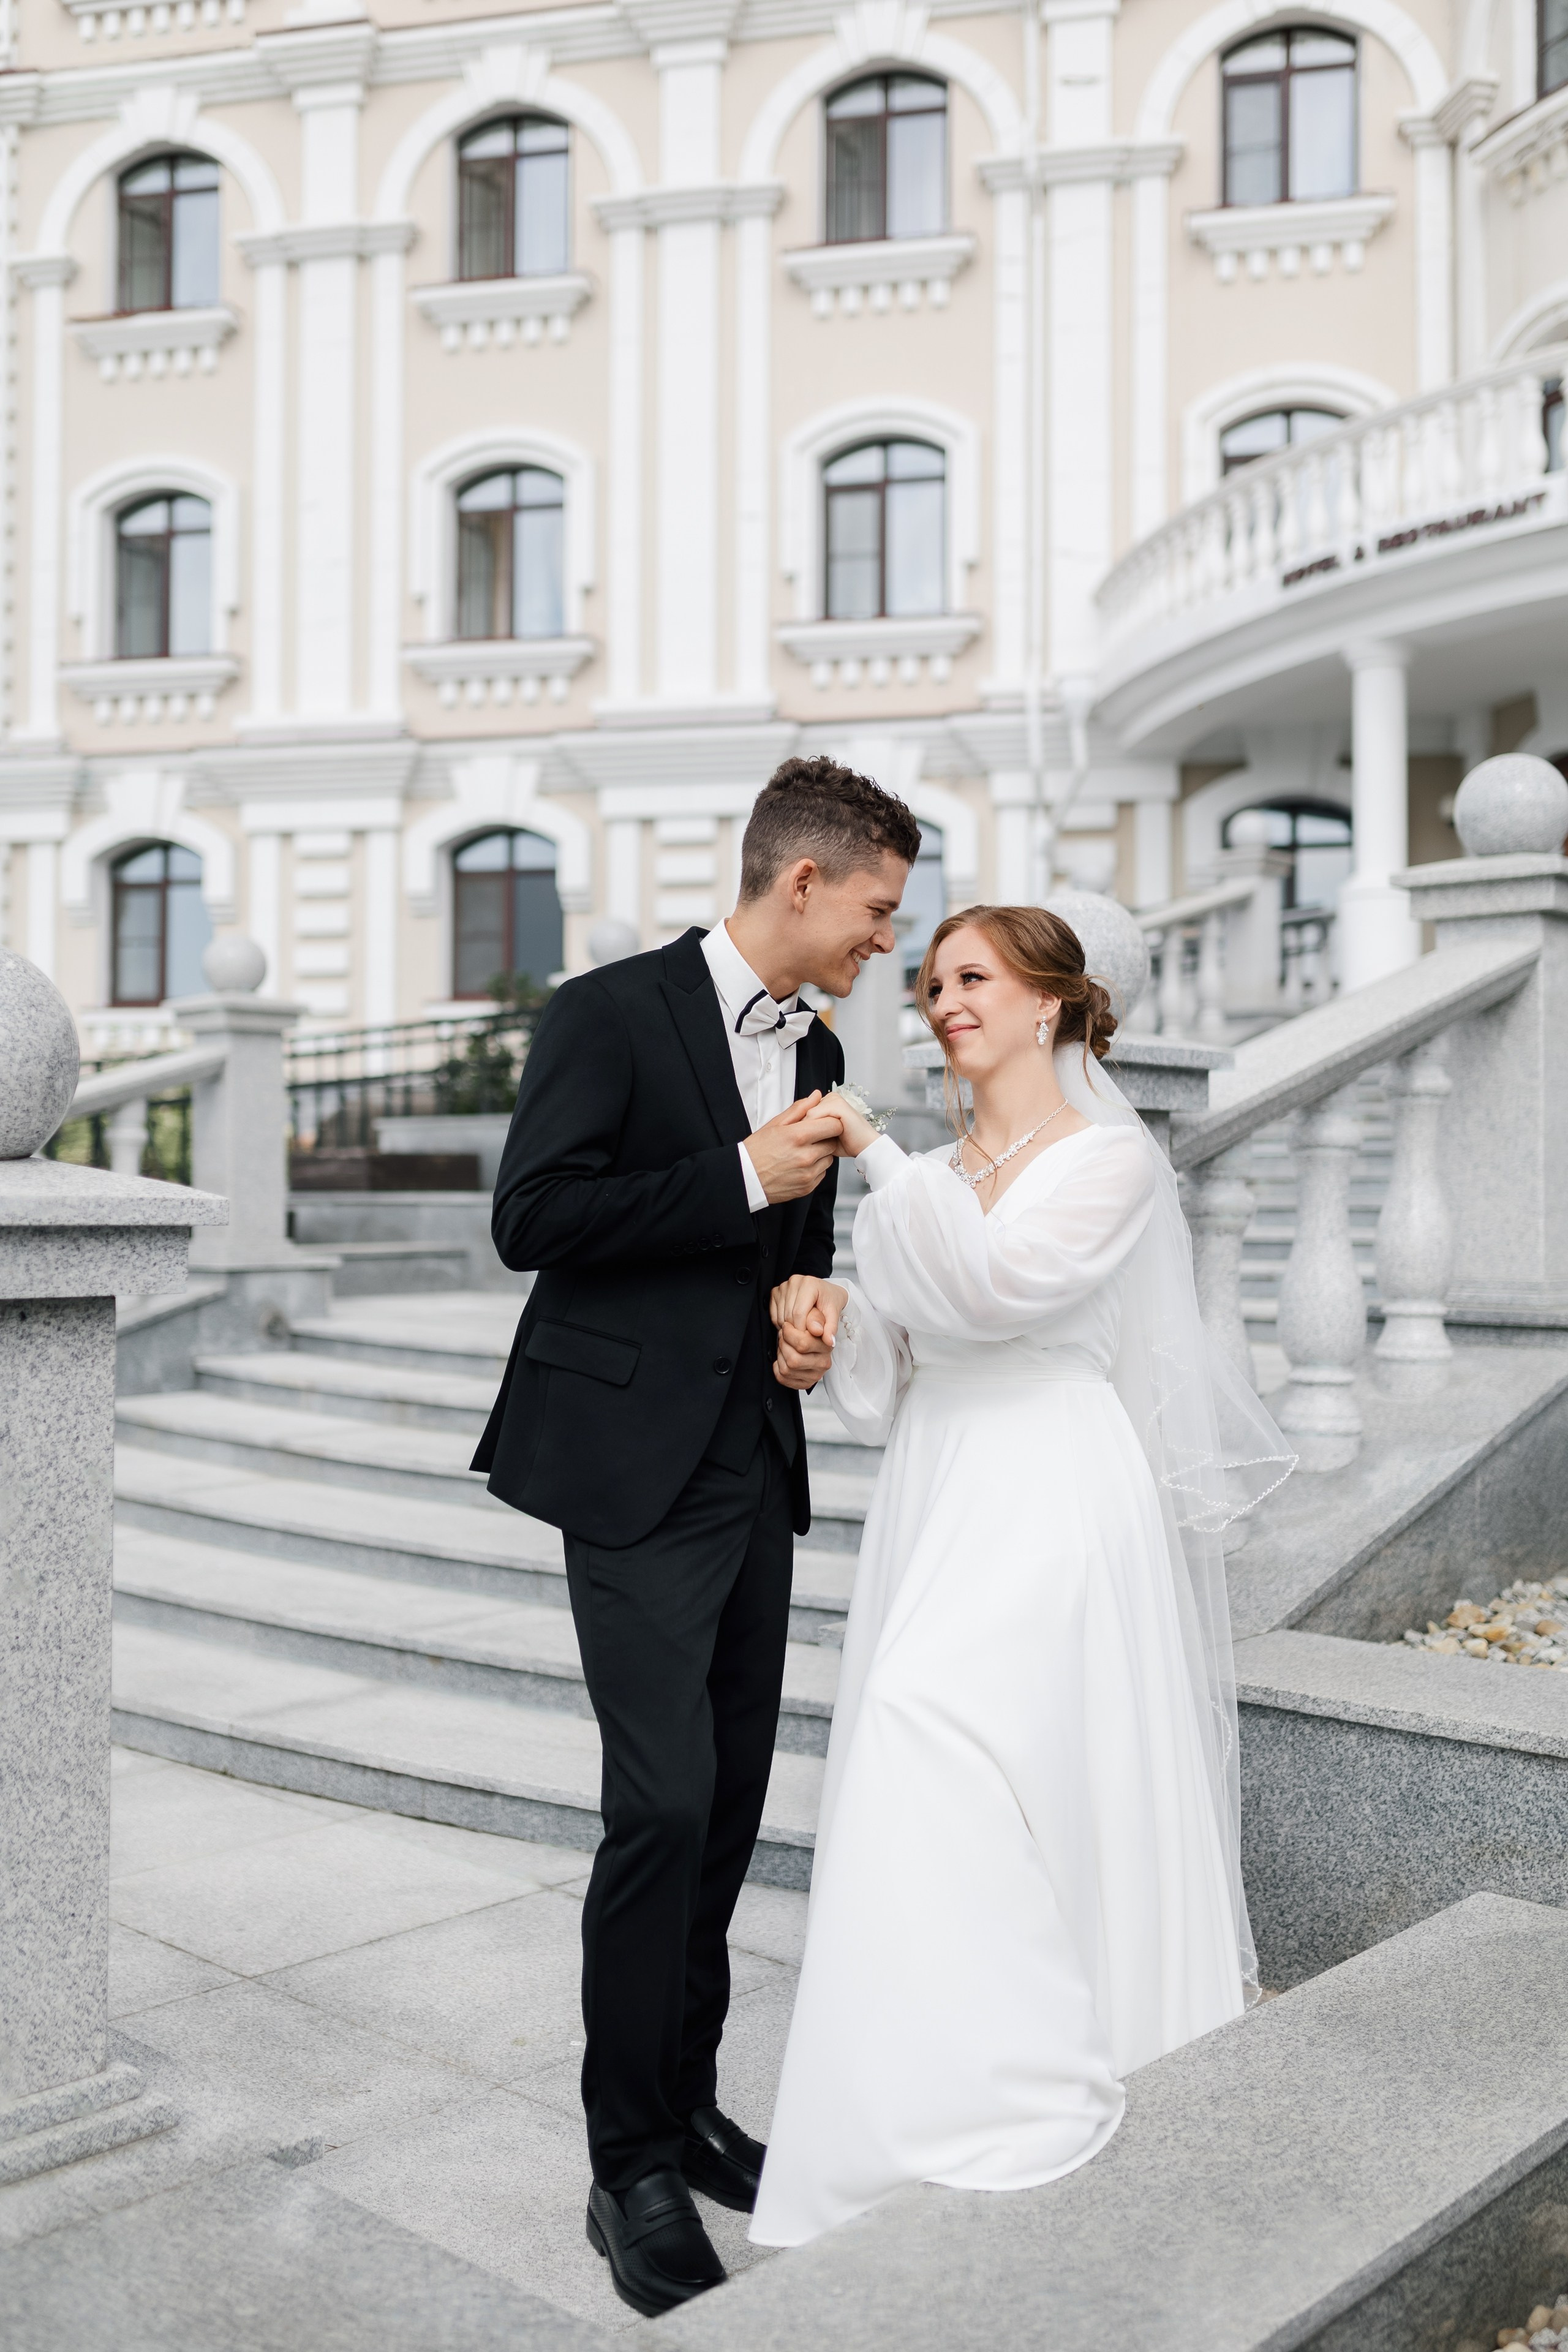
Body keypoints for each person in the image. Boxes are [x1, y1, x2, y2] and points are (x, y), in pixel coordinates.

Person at [751, 904, 1294, 2247]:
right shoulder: (938, 1166)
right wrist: (827, 1324)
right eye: (930, 981)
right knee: (954, 1755)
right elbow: (914, 1351)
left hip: (1054, 1486)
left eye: (971, 978)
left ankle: (1013, 2078)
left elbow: (1001, 1291)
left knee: (925, 1725)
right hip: (945, 1481)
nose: (942, 999)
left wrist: (868, 1145)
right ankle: (922, 2072)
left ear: (1049, 1004)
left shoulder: (1106, 1163)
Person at [472, 755, 920, 2316]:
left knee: (728, 1805)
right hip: (627, 1467)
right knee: (657, 1806)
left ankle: (689, 2099)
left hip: (751, 1461)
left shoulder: (820, 1039)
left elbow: (783, 1246)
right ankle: (627, 2170)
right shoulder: (606, 1012)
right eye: (873, 911)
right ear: (800, 881)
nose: (882, 942)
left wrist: (805, 1298)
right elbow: (533, 1217)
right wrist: (736, 1173)